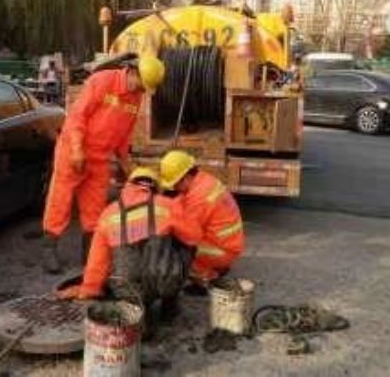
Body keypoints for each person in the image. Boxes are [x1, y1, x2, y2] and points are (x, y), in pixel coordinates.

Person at [41, 55, 166, 274]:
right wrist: (78, 149)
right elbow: (77, 116)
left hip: (100, 158)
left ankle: (90, 254)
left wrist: (126, 164)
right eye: (142, 85)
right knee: (60, 201)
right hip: (73, 152)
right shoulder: (102, 81)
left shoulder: (136, 97)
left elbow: (124, 134)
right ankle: (49, 249)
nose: (143, 91)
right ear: (133, 72)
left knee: (94, 208)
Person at [57, 167, 202, 327]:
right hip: (163, 281)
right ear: (155, 187)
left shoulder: (108, 214)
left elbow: (97, 264)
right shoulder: (167, 205)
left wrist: (87, 290)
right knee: (187, 246)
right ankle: (169, 307)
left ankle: (138, 313)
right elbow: (194, 237)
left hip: (127, 290)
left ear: (128, 186)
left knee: (114, 257)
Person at [160, 150, 245, 283]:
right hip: (229, 243)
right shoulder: (203, 180)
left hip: (222, 250)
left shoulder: (198, 198)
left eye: (175, 184)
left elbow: (189, 234)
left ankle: (206, 275)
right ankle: (215, 266)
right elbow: (182, 200)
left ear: (186, 177)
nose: (174, 188)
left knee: (175, 245)